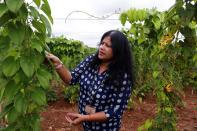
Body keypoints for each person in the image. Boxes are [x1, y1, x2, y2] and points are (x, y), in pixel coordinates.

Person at [46, 30, 134, 131]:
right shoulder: (91, 61)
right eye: (102, 43)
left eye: (108, 46)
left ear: (118, 50)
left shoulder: (122, 76)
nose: (101, 47)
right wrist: (58, 63)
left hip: (106, 128)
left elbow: (114, 110)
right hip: (85, 125)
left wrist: (85, 118)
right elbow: (71, 79)